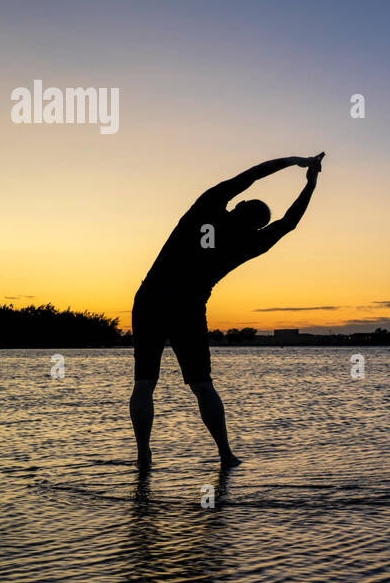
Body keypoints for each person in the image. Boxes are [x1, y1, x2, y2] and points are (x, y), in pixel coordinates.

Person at [130, 153, 324, 467]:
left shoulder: (205, 209)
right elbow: (289, 222)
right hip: (187, 308)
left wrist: (295, 161)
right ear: (257, 226)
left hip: (151, 298)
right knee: (202, 385)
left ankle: (143, 455)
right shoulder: (249, 243)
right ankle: (225, 454)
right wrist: (311, 183)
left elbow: (252, 175)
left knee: (144, 383)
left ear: (237, 205)